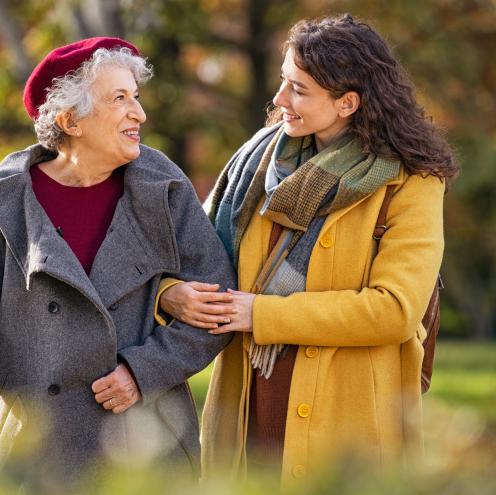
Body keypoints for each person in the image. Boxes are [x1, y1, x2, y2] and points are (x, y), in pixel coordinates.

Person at [0, 37, 235, 489]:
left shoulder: (162, 186)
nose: (139, 114)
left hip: (145, 444)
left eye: (136, 97)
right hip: (37, 449)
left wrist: (143, 371)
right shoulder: (3, 201)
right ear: (70, 120)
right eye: (120, 99)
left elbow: (217, 303)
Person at [157, 14, 458, 486]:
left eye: (298, 89)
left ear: (347, 102)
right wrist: (170, 294)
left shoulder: (412, 183)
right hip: (246, 413)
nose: (279, 101)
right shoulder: (255, 167)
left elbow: (395, 309)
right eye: (282, 82)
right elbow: (187, 258)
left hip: (348, 427)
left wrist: (264, 315)